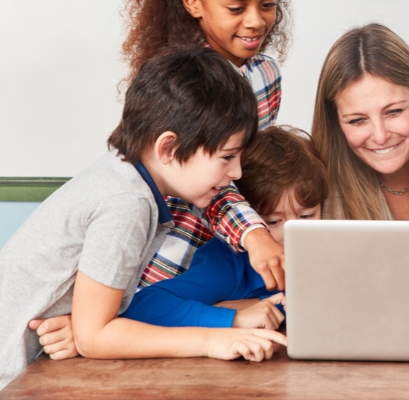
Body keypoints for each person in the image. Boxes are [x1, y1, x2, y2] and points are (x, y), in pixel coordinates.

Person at [0, 47, 287, 399]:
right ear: (168, 148)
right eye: (227, 157)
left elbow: (90, 328)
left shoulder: (123, 178)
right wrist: (214, 340)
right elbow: (96, 338)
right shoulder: (127, 204)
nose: (237, 173)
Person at [121, 0, 290, 289]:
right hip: (163, 260)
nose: (256, 21)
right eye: (236, 7)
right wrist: (254, 234)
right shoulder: (179, 84)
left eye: (268, 4)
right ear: (192, 1)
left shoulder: (265, 75)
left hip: (225, 252)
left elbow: (235, 172)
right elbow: (211, 185)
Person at [120, 126, 327, 330]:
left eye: (307, 216)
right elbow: (140, 307)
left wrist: (266, 304)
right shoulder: (229, 262)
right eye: (273, 221)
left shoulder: (332, 247)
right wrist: (231, 317)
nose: (293, 232)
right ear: (247, 214)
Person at [312, 23, 409, 221]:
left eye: (393, 112)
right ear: (336, 123)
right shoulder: (316, 202)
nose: (380, 136)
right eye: (357, 120)